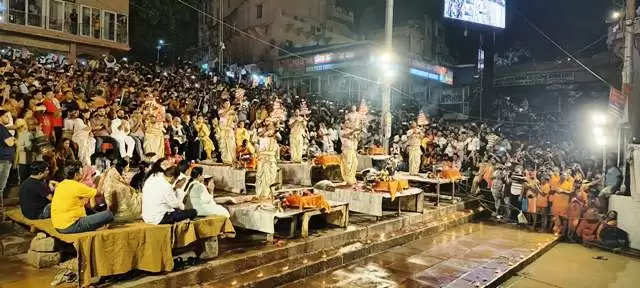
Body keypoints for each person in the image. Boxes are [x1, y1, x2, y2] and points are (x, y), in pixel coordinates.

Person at [51, 162, 113, 234]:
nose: (82, 173)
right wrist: (103, 177)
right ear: (76, 175)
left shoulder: (62, 184)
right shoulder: (77, 186)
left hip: (58, 225)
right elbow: (99, 193)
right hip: (70, 226)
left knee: (92, 212)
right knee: (109, 214)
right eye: (80, 172)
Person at [255, 122, 280, 198]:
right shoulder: (262, 132)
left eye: (272, 125)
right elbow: (258, 136)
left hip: (271, 157)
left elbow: (279, 138)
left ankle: (269, 192)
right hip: (263, 157)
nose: (270, 127)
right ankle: (262, 193)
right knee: (262, 175)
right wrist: (266, 133)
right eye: (269, 125)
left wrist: (275, 133)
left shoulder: (275, 133)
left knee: (271, 176)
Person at [0, 109, 16, 201]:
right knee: (0, 187)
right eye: (6, 116)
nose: (8, 119)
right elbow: (10, 143)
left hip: (3, 159)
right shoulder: (1, 128)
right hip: (3, 160)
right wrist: (13, 138)